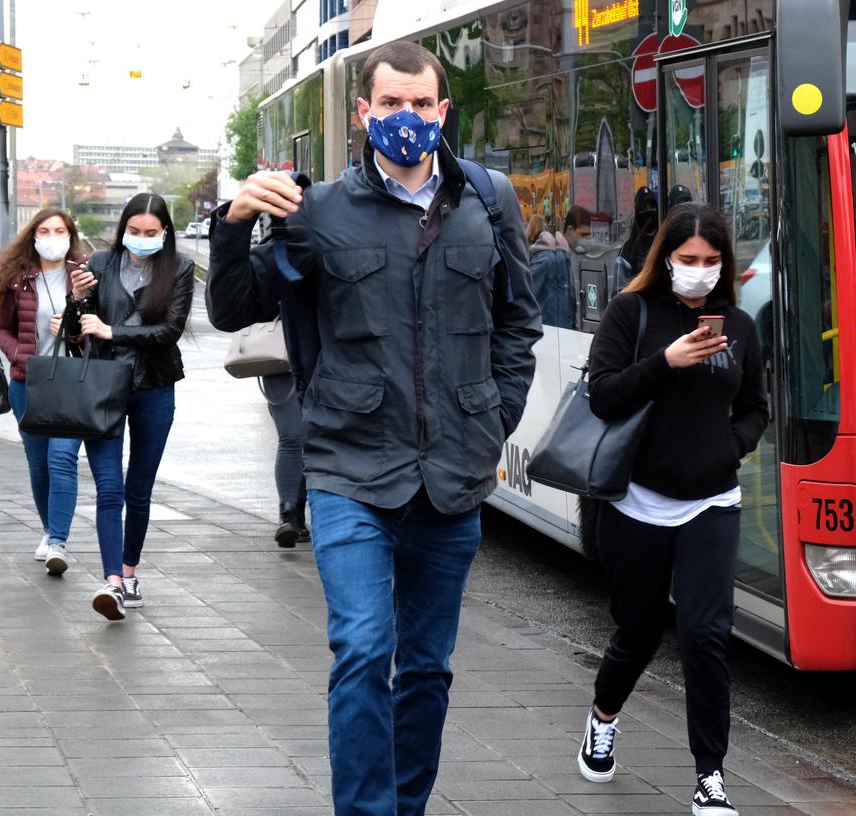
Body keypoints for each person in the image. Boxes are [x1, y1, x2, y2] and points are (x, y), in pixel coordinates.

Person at [205, 40, 541, 816]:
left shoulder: (490, 202)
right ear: (363, 112)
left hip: (452, 478)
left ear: (443, 111)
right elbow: (232, 308)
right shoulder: (317, 211)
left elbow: (517, 325)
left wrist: (493, 424)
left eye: (422, 105)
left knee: (426, 666)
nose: (408, 119)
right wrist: (236, 223)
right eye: (390, 105)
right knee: (362, 648)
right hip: (348, 470)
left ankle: (406, 806)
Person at [576, 202, 768, 816]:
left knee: (705, 634)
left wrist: (729, 449)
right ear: (665, 259)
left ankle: (709, 775)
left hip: (713, 501)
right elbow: (602, 396)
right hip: (638, 501)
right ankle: (603, 717)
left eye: (712, 262)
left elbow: (756, 406)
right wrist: (665, 363)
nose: (700, 272)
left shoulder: (738, 324)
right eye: (688, 260)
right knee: (637, 631)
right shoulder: (631, 313)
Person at [62, 192, 195, 621]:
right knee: (109, 488)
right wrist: (76, 300)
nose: (140, 239)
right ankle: (112, 583)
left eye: (150, 233)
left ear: (165, 233)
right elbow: (75, 333)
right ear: (122, 230)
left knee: (138, 490)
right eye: (133, 232)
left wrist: (110, 330)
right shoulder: (100, 264)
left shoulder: (178, 268)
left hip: (155, 387)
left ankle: (130, 571)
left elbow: (168, 331)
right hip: (103, 388)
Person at [0, 208, 90, 576]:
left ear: (70, 234)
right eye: (44, 230)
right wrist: (19, 355)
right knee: (39, 463)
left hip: (70, 384)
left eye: (59, 230)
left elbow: (98, 327)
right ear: (34, 236)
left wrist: (73, 326)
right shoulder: (18, 279)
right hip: (27, 384)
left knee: (62, 458)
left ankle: (58, 541)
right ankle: (48, 529)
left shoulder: (85, 275)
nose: (52, 237)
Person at [262, 371, 309, 547]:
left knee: (311, 436)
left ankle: (298, 511)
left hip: (321, 360)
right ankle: (288, 514)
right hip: (278, 363)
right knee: (292, 436)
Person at [529, 216, 574, 328]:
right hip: (564, 322)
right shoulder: (563, 255)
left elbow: (528, 292)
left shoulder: (544, 258)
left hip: (547, 323)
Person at [618, 186, 659, 276]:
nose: (649, 211)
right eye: (644, 208)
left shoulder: (666, 240)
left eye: (652, 207)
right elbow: (621, 285)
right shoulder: (628, 249)